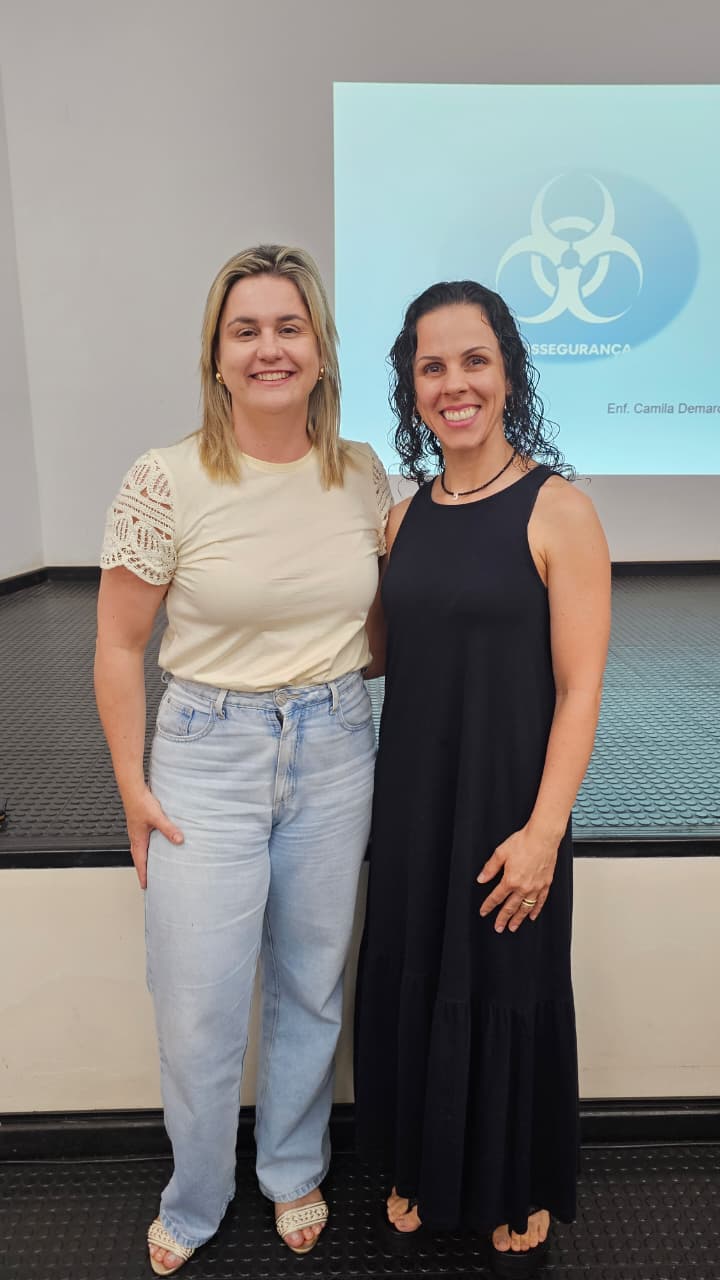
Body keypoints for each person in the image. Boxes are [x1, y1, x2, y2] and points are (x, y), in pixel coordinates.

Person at [95, 244, 391, 1275]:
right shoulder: (165, 479)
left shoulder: (361, 472)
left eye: (289, 327)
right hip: (206, 756)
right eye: (246, 330)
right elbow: (118, 645)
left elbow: (378, 629)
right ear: (216, 356)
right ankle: (197, 1192)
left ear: (321, 349)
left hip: (337, 743)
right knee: (197, 1001)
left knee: (311, 980)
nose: (270, 348)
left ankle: (293, 1167)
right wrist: (132, 786)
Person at [355, 280, 610, 1278]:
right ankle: (422, 1163)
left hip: (510, 802)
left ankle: (516, 1182)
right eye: (433, 366)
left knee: (506, 982)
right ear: (410, 385)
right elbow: (379, 655)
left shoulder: (561, 510)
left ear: (508, 373)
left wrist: (545, 831)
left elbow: (581, 688)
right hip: (413, 802)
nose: (454, 383)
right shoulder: (400, 518)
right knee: (415, 967)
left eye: (475, 360)